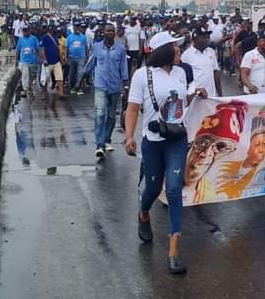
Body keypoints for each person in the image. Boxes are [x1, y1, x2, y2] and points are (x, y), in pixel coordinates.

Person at [124, 31, 206, 274]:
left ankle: (173, 250)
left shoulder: (181, 73)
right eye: (176, 48)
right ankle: (144, 212)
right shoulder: (143, 75)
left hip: (176, 140)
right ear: (165, 50)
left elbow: (179, 103)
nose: (180, 51)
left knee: (173, 189)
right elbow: (132, 108)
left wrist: (195, 94)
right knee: (151, 189)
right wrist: (129, 137)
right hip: (153, 141)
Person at [85, 23, 128, 158]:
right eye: (108, 31)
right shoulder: (97, 47)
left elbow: (123, 67)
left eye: (112, 31)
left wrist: (125, 86)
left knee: (111, 115)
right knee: (100, 113)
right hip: (100, 85)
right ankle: (99, 145)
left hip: (115, 86)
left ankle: (106, 139)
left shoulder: (120, 49)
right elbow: (91, 63)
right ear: (103, 32)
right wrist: (83, 77)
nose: (110, 33)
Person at [181, 27, 222, 97]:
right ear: (195, 39)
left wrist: (220, 93)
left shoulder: (211, 52)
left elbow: (215, 72)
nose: (207, 40)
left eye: (208, 37)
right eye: (204, 38)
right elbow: (183, 79)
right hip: (196, 97)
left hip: (211, 96)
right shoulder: (186, 55)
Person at [39, 25, 64, 102]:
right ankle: (44, 92)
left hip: (56, 61)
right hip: (48, 62)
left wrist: (61, 59)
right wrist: (44, 59)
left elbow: (58, 48)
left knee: (59, 77)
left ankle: (61, 93)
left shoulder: (56, 37)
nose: (52, 31)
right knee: (46, 78)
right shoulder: (44, 37)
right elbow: (42, 49)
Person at [15, 25, 40, 98]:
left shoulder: (34, 38)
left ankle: (29, 87)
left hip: (33, 61)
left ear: (29, 31)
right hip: (24, 61)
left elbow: (38, 49)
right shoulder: (20, 39)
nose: (25, 32)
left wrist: (41, 58)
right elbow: (17, 50)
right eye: (24, 31)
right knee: (25, 75)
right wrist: (16, 60)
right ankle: (25, 90)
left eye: (26, 31)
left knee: (32, 76)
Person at [66, 22, 89, 95]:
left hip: (81, 58)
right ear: (73, 28)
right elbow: (67, 48)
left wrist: (87, 57)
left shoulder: (83, 37)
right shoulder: (69, 37)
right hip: (71, 57)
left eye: (78, 26)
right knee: (72, 74)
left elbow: (86, 48)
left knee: (80, 73)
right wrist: (66, 58)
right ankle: (72, 87)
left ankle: (78, 87)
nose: (77, 28)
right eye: (76, 27)